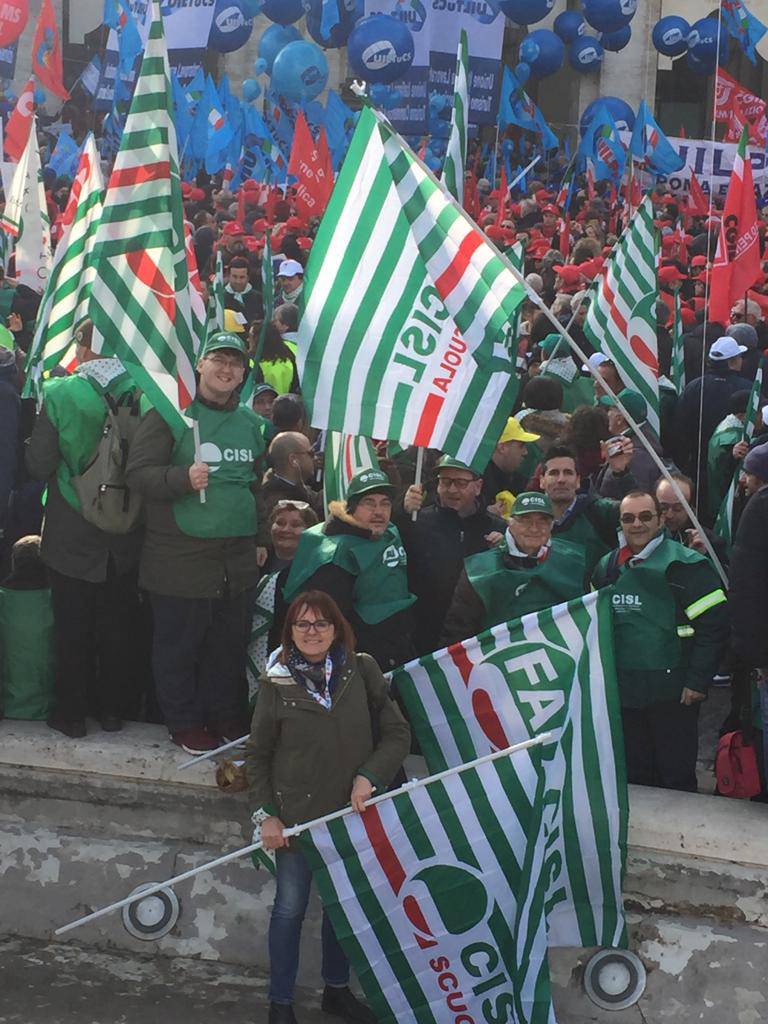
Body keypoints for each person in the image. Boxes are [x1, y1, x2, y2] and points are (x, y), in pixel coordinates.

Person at [246, 590, 410, 1024]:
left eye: (321, 623)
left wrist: (369, 776)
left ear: (337, 628)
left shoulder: (362, 669)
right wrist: (267, 814)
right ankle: (280, 1002)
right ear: (290, 632)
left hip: (349, 817)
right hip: (296, 823)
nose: (312, 632)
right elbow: (258, 755)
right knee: (289, 911)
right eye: (302, 624)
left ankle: (336, 991)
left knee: (344, 910)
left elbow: (397, 734)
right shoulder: (275, 682)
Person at [125, 331, 268, 755]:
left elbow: (255, 486)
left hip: (236, 559)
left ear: (243, 373)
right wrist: (181, 479)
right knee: (179, 647)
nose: (226, 370)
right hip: (180, 557)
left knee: (227, 645)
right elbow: (138, 473)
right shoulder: (171, 414)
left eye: (235, 364)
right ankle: (184, 723)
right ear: (200, 365)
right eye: (218, 360)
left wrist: (260, 536)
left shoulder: (252, 424)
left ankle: (225, 716)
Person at [26, 321, 145, 737]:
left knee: (72, 626)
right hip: (127, 529)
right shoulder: (145, 390)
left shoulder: (61, 393)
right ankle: (112, 710)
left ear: (82, 345)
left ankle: (71, 714)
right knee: (117, 625)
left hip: (70, 529)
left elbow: (38, 465)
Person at [592, 491, 729, 792]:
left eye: (645, 516)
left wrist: (697, 681)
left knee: (675, 774)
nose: (636, 524)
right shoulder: (607, 567)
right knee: (635, 773)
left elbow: (713, 628)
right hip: (625, 692)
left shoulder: (688, 565)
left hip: (675, 693)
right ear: (620, 523)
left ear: (660, 519)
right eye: (628, 518)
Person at [281, 469, 416, 671]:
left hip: (399, 645)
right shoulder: (335, 555)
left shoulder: (387, 531)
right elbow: (333, 621)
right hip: (365, 656)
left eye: (385, 503)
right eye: (369, 503)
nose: (379, 512)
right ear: (352, 507)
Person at [441, 492, 588, 645]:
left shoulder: (572, 561)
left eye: (543, 521)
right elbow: (457, 630)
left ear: (552, 525)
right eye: (525, 520)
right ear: (510, 522)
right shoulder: (479, 571)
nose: (534, 528)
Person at [398, 455, 507, 656]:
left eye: (461, 483)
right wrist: (402, 514)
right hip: (425, 637)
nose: (452, 489)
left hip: (478, 638)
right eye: (445, 482)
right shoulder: (417, 522)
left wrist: (506, 550)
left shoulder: (498, 528)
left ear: (478, 486)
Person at [541, 444, 634, 580]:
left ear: (578, 481)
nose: (561, 479)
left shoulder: (600, 512)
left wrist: (622, 473)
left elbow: (641, 511)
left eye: (568, 472)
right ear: (541, 481)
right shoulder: (529, 519)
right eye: (554, 473)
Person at [595, 389, 664, 495]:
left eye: (610, 409)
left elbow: (637, 498)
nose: (608, 414)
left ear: (619, 419)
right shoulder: (641, 443)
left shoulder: (635, 455)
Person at [654, 473, 728, 565]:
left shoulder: (710, 543)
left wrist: (701, 556)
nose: (669, 515)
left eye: (678, 509)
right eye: (663, 508)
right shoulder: (645, 535)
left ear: (691, 508)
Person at [480, 416, 540, 509]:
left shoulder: (516, 480)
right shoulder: (478, 481)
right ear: (502, 448)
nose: (525, 452)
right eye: (521, 446)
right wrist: (485, 514)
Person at [261, 431, 323, 518]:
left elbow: (317, 500)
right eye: (311, 453)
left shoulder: (294, 488)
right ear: (294, 460)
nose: (315, 458)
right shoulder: (279, 503)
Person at [225, 256, 263, 323]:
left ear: (248, 278)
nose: (238, 281)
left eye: (242, 277)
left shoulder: (259, 298)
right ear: (228, 276)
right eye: (234, 276)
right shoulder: (220, 298)